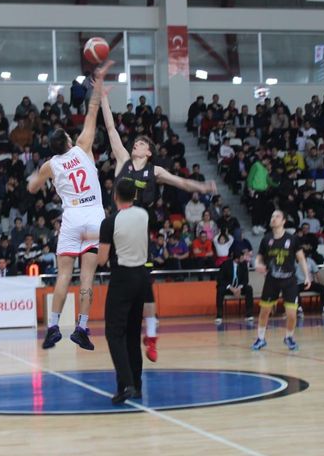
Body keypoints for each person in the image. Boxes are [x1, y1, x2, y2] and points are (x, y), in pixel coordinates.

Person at [99, 84, 216, 362]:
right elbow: (112, 128)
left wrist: (204, 186)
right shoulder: (123, 161)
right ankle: (121, 329)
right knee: (120, 284)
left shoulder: (156, 170)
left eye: (140, 143)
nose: (134, 144)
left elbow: (182, 183)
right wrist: (103, 97)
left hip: (140, 232)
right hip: (116, 229)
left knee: (146, 290)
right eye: (135, 142)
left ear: (148, 152)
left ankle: (151, 337)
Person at [28, 60, 113, 352]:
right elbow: (92, 111)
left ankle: (53, 326)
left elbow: (31, 187)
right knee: (87, 276)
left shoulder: (50, 165)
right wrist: (98, 83)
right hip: (93, 217)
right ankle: (82, 327)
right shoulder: (82, 146)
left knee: (64, 274)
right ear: (67, 139)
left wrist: (37, 176)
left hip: (72, 218)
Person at [97, 180, 149, 404]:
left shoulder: (109, 222)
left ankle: (126, 383)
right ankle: (136, 385)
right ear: (135, 196)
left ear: (115, 195)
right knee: (132, 333)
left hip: (122, 278)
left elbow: (101, 259)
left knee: (114, 333)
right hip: (142, 277)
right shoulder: (143, 215)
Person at [252, 210, 311, 351]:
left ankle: (289, 337)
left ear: (283, 221)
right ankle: (260, 339)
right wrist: (257, 264)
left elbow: (301, 258)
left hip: (289, 280)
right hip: (272, 280)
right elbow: (259, 257)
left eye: (277, 216)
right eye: (272, 216)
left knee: (291, 314)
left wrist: (307, 276)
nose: (273, 218)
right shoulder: (266, 239)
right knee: (264, 311)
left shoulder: (292, 239)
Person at [215, 248, 253, 325]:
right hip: (228, 288)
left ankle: (249, 314)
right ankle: (219, 316)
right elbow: (220, 279)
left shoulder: (244, 264)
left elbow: (245, 280)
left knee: (249, 289)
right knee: (220, 290)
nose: (243, 259)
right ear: (236, 258)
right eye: (242, 257)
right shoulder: (226, 264)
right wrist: (231, 288)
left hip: (239, 288)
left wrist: (239, 288)